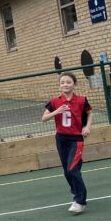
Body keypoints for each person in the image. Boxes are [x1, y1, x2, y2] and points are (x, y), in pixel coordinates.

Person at [42, 72, 92, 213]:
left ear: (74, 85)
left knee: (72, 169)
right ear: (59, 86)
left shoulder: (82, 100)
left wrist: (87, 127)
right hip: (61, 139)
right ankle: (76, 191)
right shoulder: (54, 102)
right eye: (62, 82)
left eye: (68, 82)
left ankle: (80, 201)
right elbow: (44, 118)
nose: (65, 84)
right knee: (67, 171)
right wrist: (56, 111)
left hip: (75, 140)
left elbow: (89, 113)